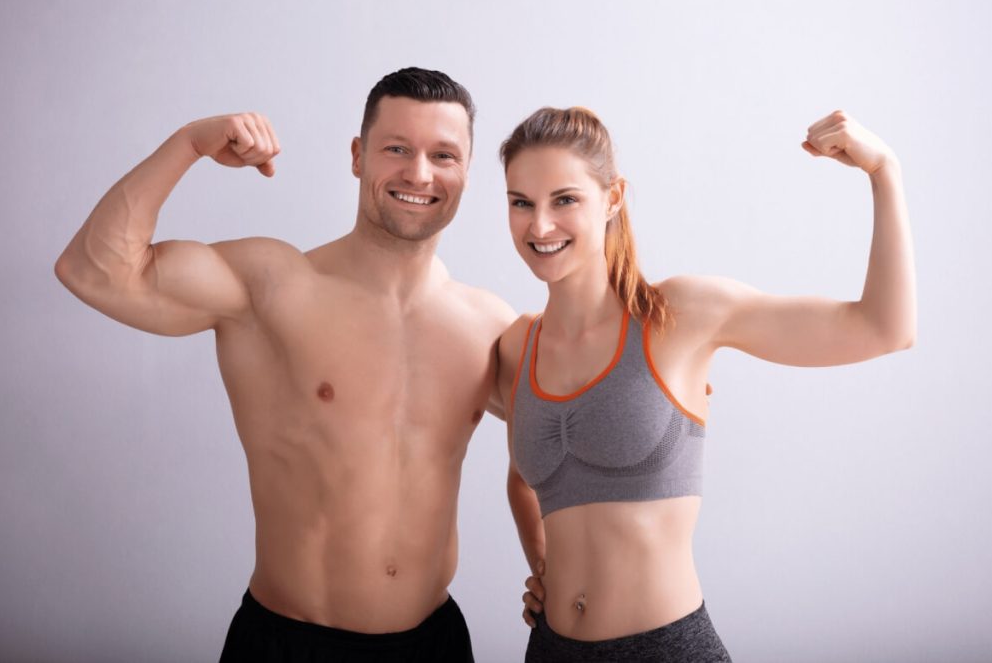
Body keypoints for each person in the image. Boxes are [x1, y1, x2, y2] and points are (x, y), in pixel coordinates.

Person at [54, 67, 514, 662]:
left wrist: (555, 568)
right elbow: (92, 271)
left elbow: (575, 436)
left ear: (467, 174)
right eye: (396, 148)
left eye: (443, 155)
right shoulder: (273, 287)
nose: (419, 174)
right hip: (289, 642)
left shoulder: (489, 325)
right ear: (358, 156)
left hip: (434, 643)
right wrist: (190, 143)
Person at [496, 107, 916, 662]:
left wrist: (884, 171)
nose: (539, 225)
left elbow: (884, 328)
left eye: (565, 199)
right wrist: (544, 567)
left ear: (613, 199)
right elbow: (524, 481)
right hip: (549, 650)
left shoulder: (679, 315)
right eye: (521, 202)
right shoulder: (516, 346)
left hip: (666, 648)